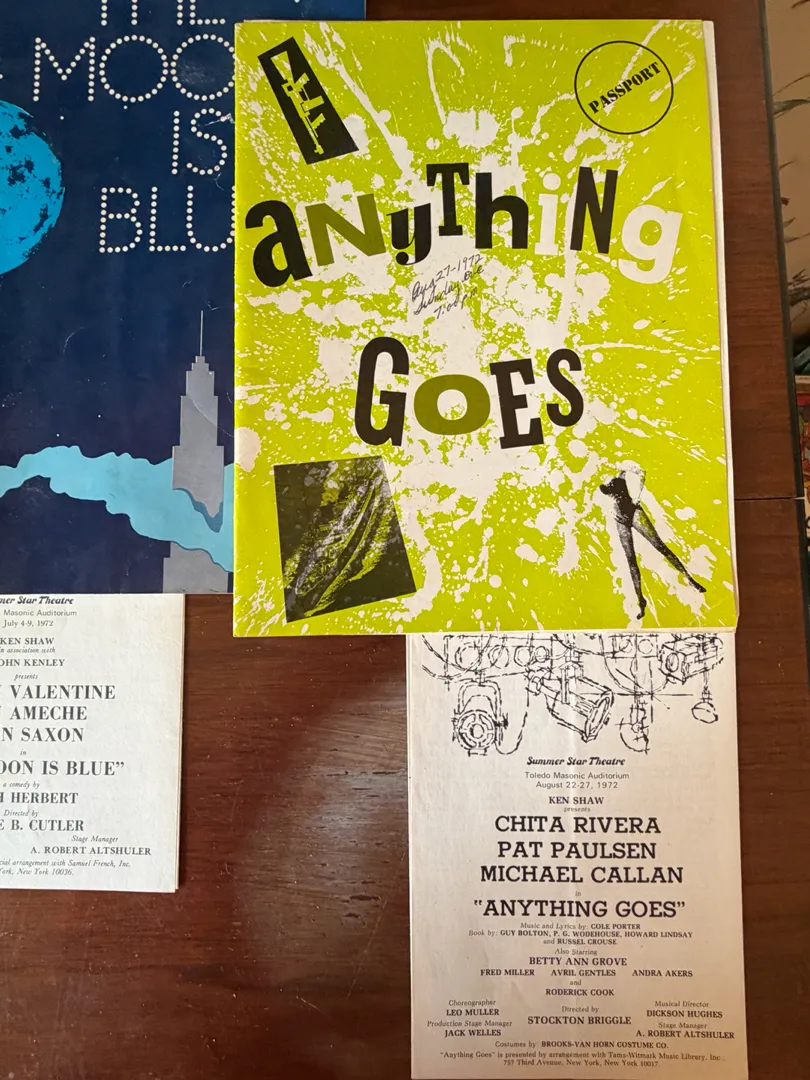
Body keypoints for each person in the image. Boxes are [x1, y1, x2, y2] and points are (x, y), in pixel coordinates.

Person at [599, 466, 706, 620]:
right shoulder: (599, 469)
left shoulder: (619, 467)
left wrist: (637, 496)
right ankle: (641, 601)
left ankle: (689, 578)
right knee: (631, 561)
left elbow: (642, 472)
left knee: (660, 546)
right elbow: (605, 498)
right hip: (619, 518)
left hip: (633, 511)